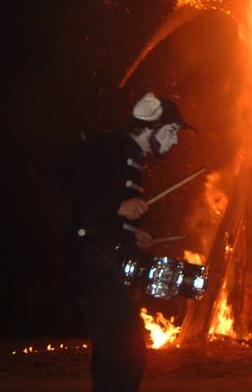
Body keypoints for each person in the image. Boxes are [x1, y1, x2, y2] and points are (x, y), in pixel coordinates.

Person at [59, 92, 195, 392]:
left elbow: (101, 211)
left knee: (115, 353)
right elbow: (69, 181)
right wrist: (117, 207)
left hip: (102, 257)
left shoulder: (132, 157)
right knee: (127, 352)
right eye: (171, 131)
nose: (175, 141)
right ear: (150, 126)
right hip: (92, 258)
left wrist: (132, 233)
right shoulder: (110, 145)